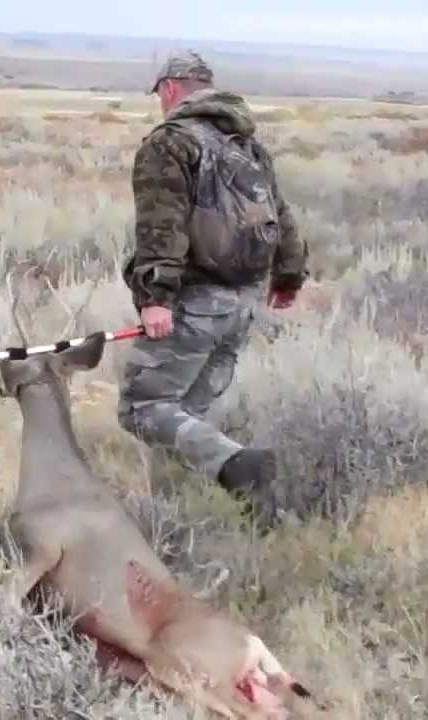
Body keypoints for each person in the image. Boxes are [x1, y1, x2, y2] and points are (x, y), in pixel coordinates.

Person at [116, 50, 308, 523]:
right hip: (243, 304)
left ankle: (239, 467)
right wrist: (288, 276)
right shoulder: (245, 143)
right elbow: (280, 214)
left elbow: (161, 227)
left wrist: (155, 298)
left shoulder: (171, 142)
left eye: (160, 95)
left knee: (143, 407)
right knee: (189, 414)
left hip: (195, 304)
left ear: (169, 88)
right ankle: (199, 509)